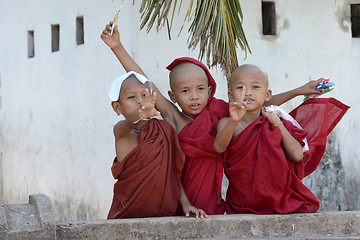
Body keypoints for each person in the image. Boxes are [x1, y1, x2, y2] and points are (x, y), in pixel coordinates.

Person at [100, 23, 328, 215]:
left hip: (214, 208)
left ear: (210, 91)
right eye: (185, 91)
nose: (194, 97)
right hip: (179, 206)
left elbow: (258, 103)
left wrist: (299, 91)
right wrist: (117, 47)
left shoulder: (219, 112)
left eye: (200, 89)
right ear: (173, 96)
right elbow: (147, 82)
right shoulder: (173, 118)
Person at [213, 64, 349, 214]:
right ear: (230, 95)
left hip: (277, 203)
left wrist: (278, 123)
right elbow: (219, 148)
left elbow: (297, 155)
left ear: (267, 94)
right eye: (240, 88)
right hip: (241, 203)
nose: (248, 92)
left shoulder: (273, 121)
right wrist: (233, 121)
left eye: (255, 87)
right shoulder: (227, 123)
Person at [106, 71, 206, 219]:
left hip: (163, 214)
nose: (140, 101)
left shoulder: (163, 130)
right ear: (117, 107)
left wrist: (185, 203)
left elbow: (172, 173)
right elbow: (128, 123)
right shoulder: (122, 133)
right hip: (128, 216)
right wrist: (140, 116)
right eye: (131, 97)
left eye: (145, 95)